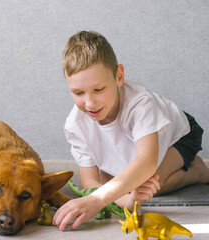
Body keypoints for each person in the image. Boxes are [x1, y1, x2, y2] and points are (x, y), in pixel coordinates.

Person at [53, 31, 208, 231]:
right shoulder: (75, 125)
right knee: (117, 183)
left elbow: (146, 162)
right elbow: (89, 181)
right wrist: (126, 199)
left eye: (99, 89)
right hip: (135, 148)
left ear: (119, 76)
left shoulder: (140, 104)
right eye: (78, 93)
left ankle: (197, 172)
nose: (90, 103)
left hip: (180, 136)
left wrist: (98, 200)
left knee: (145, 181)